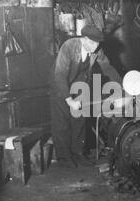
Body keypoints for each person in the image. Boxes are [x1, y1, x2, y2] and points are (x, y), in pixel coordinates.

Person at [50, 25, 123, 168]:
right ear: (84, 39)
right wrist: (69, 100)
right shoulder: (69, 47)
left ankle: (78, 153)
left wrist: (121, 87)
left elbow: (107, 68)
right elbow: (59, 76)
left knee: (79, 121)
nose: (96, 46)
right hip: (60, 86)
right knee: (62, 123)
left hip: (78, 86)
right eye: (93, 42)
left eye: (98, 43)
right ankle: (64, 158)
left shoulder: (96, 50)